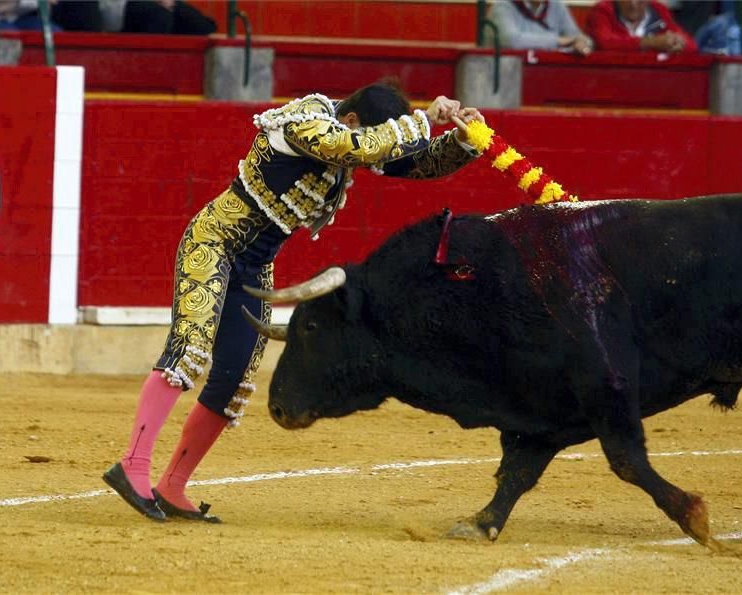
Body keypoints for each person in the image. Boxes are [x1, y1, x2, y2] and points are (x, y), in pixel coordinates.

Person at [102, 81, 486, 522]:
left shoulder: (353, 134)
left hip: (254, 267)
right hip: (213, 244)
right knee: (189, 351)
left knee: (233, 380)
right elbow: (350, 148)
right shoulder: (305, 120)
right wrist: (421, 120)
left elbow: (411, 163)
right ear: (354, 120)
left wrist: (459, 138)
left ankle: (172, 485)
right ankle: (131, 465)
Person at [586, 0, 697, 54]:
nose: (633, 4)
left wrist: (679, 43)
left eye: (640, 0)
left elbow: (691, 46)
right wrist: (651, 42)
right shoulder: (602, 11)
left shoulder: (659, 10)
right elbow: (606, 43)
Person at [487, 0, 593, 56]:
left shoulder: (556, 6)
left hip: (544, 76)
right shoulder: (502, 6)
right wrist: (558, 41)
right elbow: (512, 40)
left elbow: (576, 36)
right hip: (504, 79)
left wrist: (584, 43)